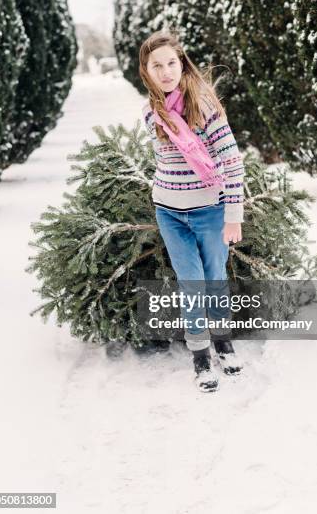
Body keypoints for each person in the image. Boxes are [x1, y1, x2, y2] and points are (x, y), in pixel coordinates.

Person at [139, 29, 244, 392]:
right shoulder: (150, 113)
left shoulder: (204, 105)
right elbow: (162, 159)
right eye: (157, 66)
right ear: (147, 71)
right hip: (169, 211)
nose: (166, 71)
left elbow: (232, 161)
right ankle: (200, 355)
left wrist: (233, 215)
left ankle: (223, 340)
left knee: (214, 277)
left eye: (171, 63)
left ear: (181, 64)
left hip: (210, 211)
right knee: (192, 283)